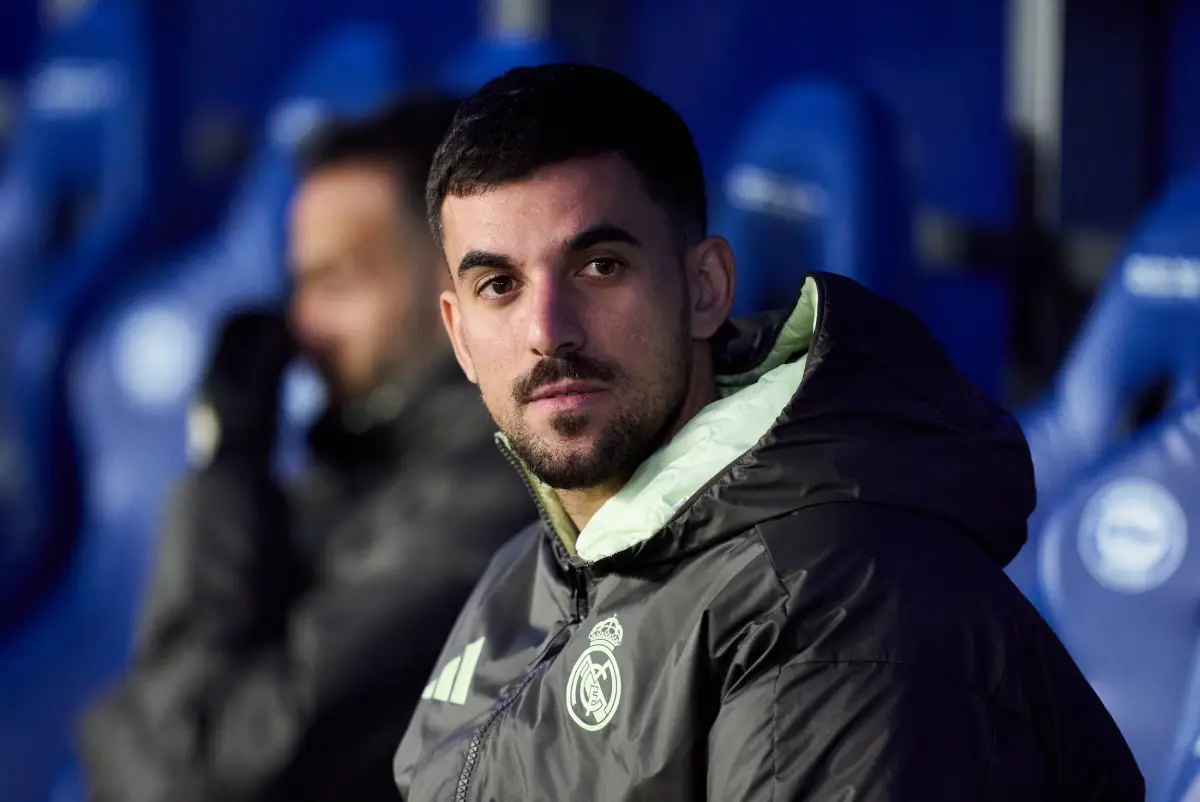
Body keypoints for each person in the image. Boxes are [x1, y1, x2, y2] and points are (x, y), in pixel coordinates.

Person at [392, 65, 1144, 801]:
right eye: (500, 286)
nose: (547, 331)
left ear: (705, 289)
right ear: (459, 337)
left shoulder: (841, 604)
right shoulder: (532, 567)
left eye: (599, 266)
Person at [77, 95, 536, 802]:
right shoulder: (372, 458)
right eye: (299, 285)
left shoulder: (498, 486)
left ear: (460, 283)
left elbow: (208, 764)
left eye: (340, 282)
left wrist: (228, 467)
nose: (303, 327)